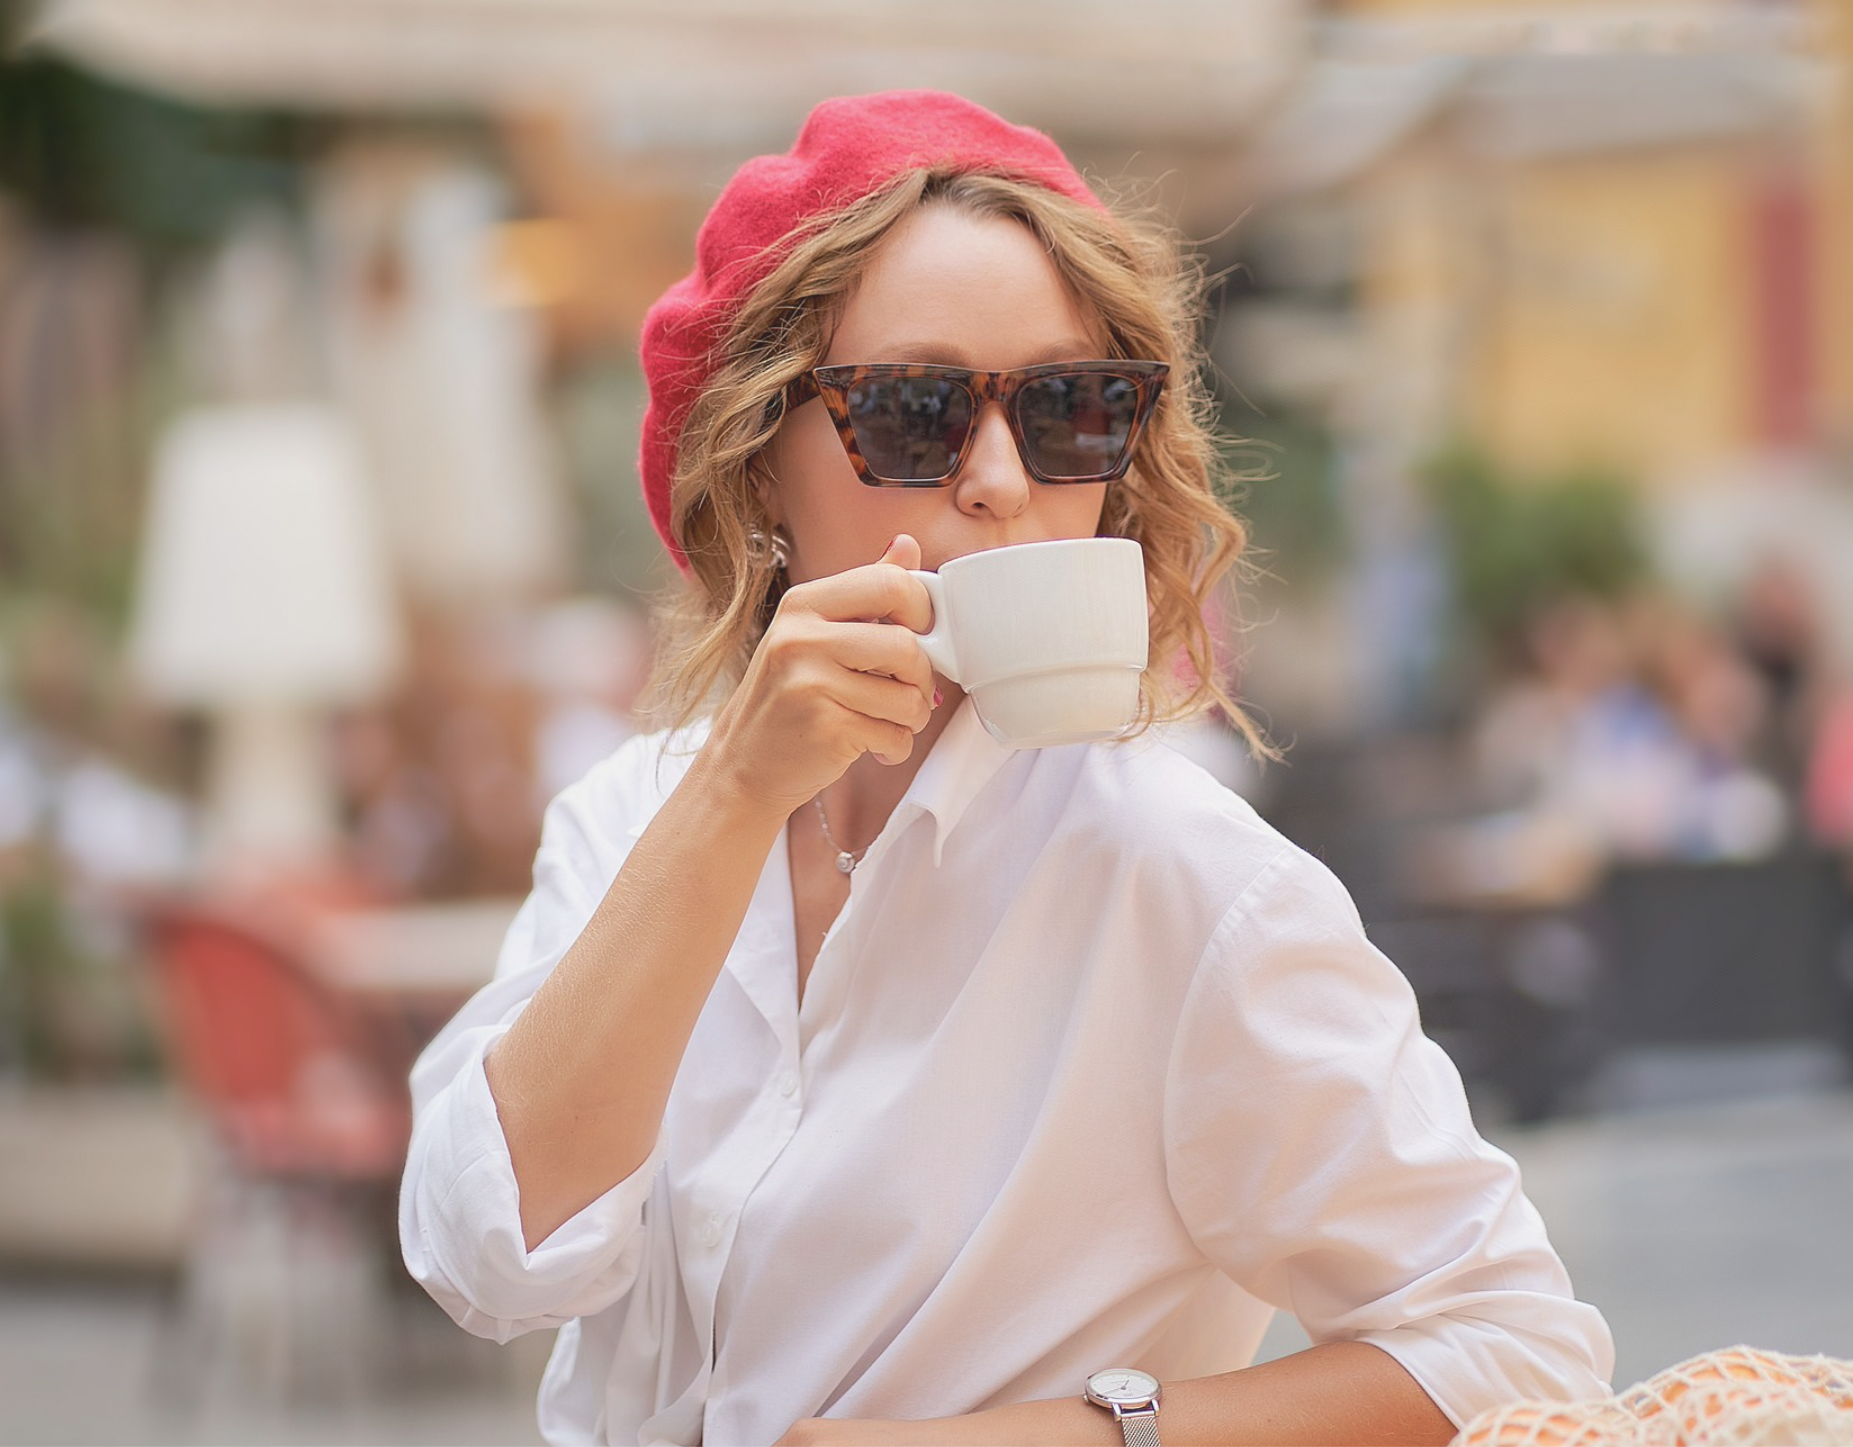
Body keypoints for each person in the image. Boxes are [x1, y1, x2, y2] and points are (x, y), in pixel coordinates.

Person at [401, 91, 1612, 1447]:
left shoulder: (1183, 876)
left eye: (1067, 411)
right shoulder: (628, 818)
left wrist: (1066, 1437)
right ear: (753, 472)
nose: (996, 478)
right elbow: (487, 1261)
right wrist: (735, 799)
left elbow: (1517, 1350)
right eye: (916, 414)